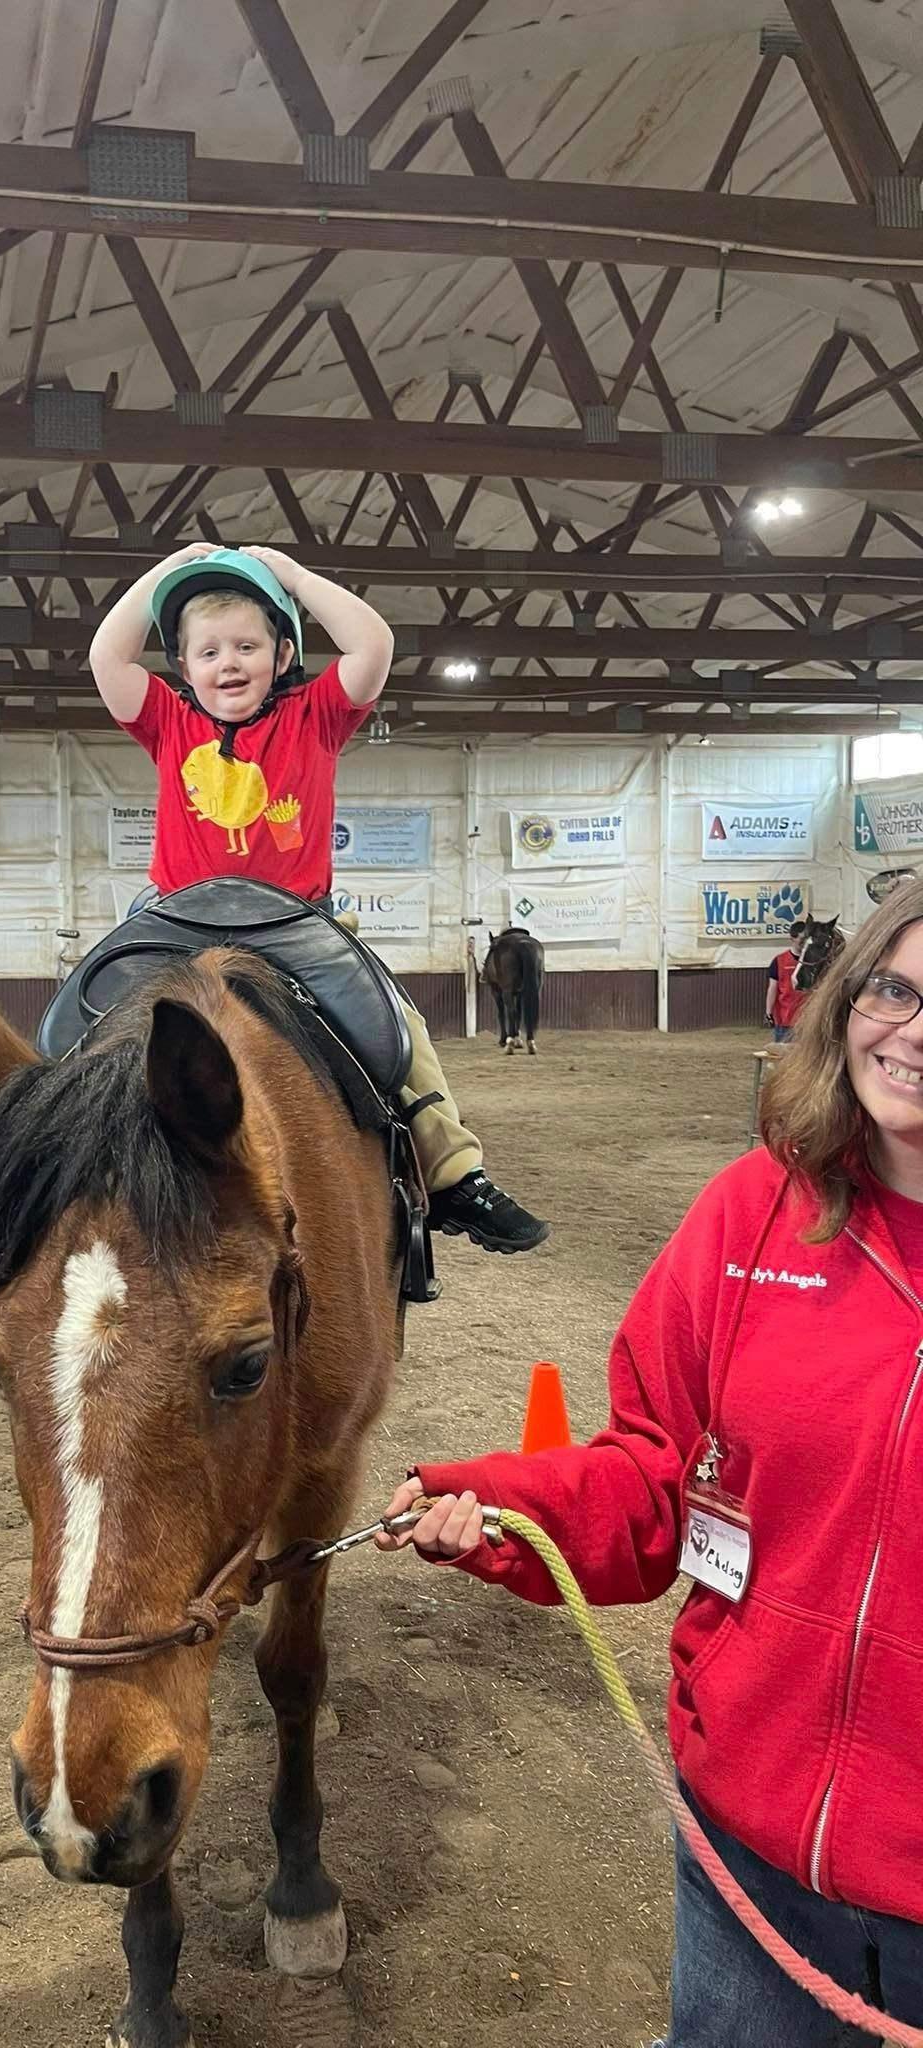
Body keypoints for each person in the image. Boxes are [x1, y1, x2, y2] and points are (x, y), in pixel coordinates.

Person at [375, 876, 923, 2044]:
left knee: (374, 1019)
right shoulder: (751, 1215)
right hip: (751, 1860)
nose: (915, 1031)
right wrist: (499, 1499)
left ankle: (452, 1165)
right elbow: (661, 1477)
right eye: (895, 988)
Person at [86, 541, 548, 1256]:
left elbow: (372, 643)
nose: (228, 663)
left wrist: (296, 580)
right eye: (207, 652)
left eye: (247, 645)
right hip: (178, 915)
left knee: (394, 1026)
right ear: (183, 669)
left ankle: (456, 1174)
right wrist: (166, 573)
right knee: (77, 1017)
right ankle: (13, 1144)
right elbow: (107, 660)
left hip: (293, 917)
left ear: (281, 657)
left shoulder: (317, 715)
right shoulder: (168, 722)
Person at [766, 916, 809, 1043]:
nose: (804, 943)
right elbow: (773, 988)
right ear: (792, 939)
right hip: (785, 1019)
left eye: (807, 939)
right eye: (801, 940)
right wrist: (768, 1012)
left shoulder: (813, 963)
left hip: (806, 1019)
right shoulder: (779, 961)